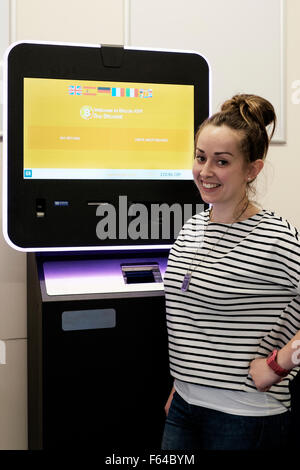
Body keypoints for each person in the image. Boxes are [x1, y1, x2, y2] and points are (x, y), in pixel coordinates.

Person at [161, 94, 300, 451]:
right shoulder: (190, 229)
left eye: (221, 161)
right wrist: (185, 382)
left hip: (245, 417)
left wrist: (278, 363)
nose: (205, 172)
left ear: (252, 169)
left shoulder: (276, 237)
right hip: (184, 408)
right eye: (200, 157)